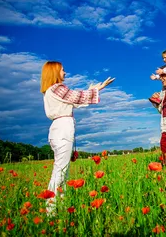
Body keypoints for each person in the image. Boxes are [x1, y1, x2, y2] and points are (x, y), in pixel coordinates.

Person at [40, 61, 114, 215]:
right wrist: (97, 89)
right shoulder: (57, 88)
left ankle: (59, 206)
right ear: (54, 72)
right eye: (62, 70)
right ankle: (50, 211)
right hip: (62, 130)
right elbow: (77, 97)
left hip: (57, 130)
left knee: (63, 171)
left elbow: (75, 100)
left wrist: (90, 90)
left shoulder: (50, 91)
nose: (65, 73)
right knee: (60, 171)